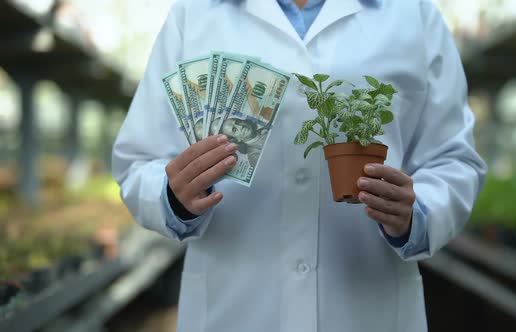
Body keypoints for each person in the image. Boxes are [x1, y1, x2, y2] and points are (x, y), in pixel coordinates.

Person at [112, 0, 487, 331]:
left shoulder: (413, 13)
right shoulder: (193, 14)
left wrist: (416, 213)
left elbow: (453, 159)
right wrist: (173, 196)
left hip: (367, 308)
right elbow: (138, 161)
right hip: (234, 311)